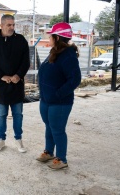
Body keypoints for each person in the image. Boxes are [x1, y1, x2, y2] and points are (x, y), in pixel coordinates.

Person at [36, 22, 82, 169]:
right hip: (46, 99)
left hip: (60, 102)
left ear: (57, 37)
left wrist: (58, 94)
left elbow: (75, 79)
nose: (48, 37)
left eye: (50, 35)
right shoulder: (54, 52)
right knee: (49, 126)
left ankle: (61, 159)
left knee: (57, 129)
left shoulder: (68, 55)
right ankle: (49, 152)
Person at [0, 14, 30, 153]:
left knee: (18, 114)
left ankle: (18, 140)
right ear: (1, 25)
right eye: (9, 25)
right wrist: (1, 76)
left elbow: (26, 61)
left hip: (17, 85)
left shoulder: (21, 40)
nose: (12, 27)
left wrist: (18, 75)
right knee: (1, 114)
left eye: (13, 25)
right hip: (0, 86)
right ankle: (1, 140)